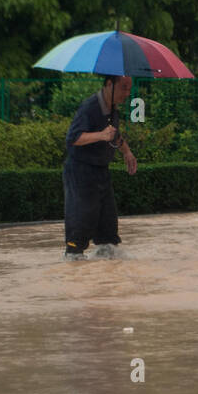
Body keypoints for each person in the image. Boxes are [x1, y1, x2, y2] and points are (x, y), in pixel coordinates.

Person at [63, 74, 137, 260]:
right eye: (124, 87)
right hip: (80, 171)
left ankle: (107, 260)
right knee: (81, 217)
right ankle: (73, 256)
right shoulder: (90, 107)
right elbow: (73, 139)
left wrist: (127, 152)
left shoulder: (112, 108)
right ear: (109, 84)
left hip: (100, 170)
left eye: (129, 88)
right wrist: (101, 135)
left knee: (108, 221)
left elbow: (114, 134)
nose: (127, 93)